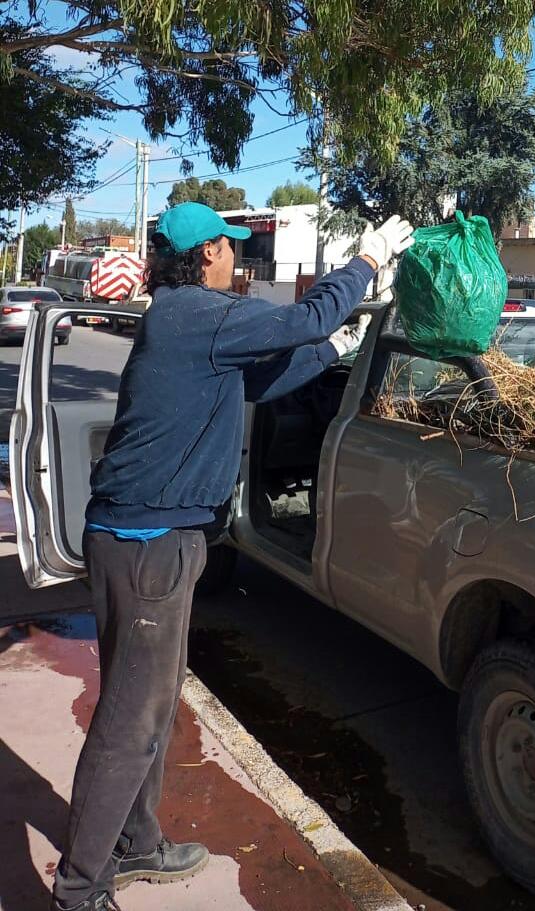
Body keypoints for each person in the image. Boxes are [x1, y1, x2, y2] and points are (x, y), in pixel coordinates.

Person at [51, 202, 414, 911]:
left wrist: (336, 348)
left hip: (154, 540)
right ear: (207, 253)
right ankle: (77, 890)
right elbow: (298, 319)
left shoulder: (187, 324)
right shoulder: (194, 312)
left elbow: (258, 379)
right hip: (146, 546)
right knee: (128, 721)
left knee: (150, 709)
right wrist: (365, 262)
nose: (240, 260)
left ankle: (136, 843)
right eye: (232, 248)